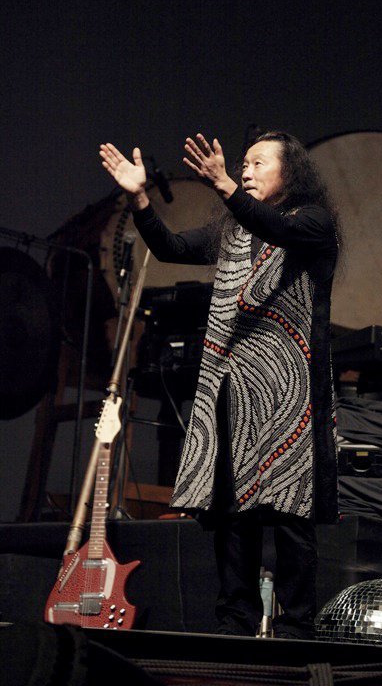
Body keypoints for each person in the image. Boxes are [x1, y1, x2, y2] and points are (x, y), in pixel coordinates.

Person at [99, 131, 339, 639]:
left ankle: (297, 628)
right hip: (233, 389)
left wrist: (225, 185)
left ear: (290, 172)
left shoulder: (313, 222)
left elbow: (275, 227)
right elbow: (168, 247)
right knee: (232, 511)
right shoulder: (234, 232)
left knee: (290, 512)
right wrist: (139, 199)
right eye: (242, 164)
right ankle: (235, 621)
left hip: (290, 393)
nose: (245, 170)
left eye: (258, 163)